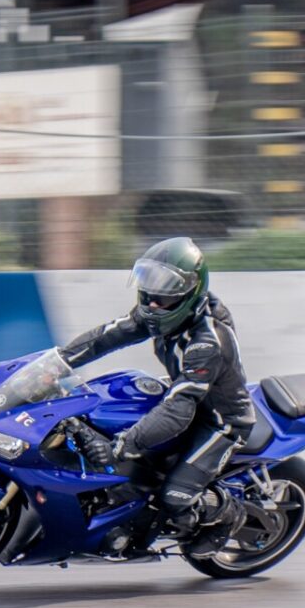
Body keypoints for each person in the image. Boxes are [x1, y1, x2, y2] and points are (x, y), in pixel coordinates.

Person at [58, 237, 253, 556]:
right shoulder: (158, 312)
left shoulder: (207, 341)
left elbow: (179, 410)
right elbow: (107, 336)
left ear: (190, 292)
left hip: (219, 422)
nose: (152, 302)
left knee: (174, 496)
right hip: (184, 395)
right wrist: (59, 361)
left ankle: (228, 515)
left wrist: (120, 446)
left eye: (164, 293)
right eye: (149, 288)